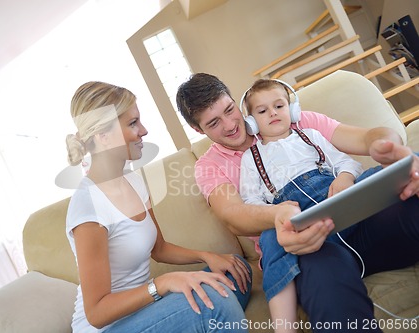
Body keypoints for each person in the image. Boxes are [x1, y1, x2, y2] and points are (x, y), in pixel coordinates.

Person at [176, 72, 419, 332]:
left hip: (360, 221)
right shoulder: (210, 166)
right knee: (326, 286)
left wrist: (390, 149)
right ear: (197, 129)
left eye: (229, 110)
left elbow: (370, 137)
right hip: (306, 248)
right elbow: (233, 215)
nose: (229, 125)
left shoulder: (294, 120)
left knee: (410, 172)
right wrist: (279, 215)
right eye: (213, 123)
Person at [64, 81, 252, 333]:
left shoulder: (133, 181)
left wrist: (208, 256)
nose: (144, 131)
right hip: (110, 328)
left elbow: (159, 249)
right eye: (132, 123)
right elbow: (97, 312)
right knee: (215, 303)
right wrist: (163, 283)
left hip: (145, 313)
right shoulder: (88, 206)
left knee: (234, 271)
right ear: (103, 135)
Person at [239, 78, 367, 333]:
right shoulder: (250, 159)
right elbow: (251, 202)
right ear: (251, 123)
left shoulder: (310, 136)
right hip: (298, 221)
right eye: (263, 111)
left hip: (337, 201)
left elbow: (347, 163)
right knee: (269, 236)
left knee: (383, 172)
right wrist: (276, 212)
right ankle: (285, 326)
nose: (273, 113)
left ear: (292, 110)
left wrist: (345, 177)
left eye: (279, 106)